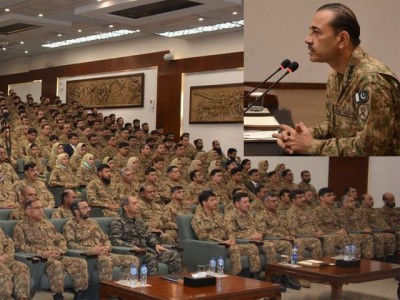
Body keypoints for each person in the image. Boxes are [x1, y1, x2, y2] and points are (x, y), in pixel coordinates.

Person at [273, 3, 400, 156]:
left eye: (316, 32)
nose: (307, 39)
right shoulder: (336, 73)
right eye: (310, 31)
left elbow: (370, 147)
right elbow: (337, 126)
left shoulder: (371, 81)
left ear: (342, 39)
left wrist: (312, 146)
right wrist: (302, 136)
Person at [13, 198, 88, 300]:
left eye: (41, 207)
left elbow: (61, 240)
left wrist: (59, 251)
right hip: (42, 259)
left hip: (56, 255)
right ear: (28, 211)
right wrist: (43, 253)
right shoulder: (20, 226)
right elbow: (20, 247)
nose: (41, 210)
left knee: (81, 262)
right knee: (56, 265)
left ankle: (80, 295)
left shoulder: (48, 224)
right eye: (37, 208)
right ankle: (58, 296)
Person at [63, 199, 139, 281]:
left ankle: (123, 289)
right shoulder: (70, 225)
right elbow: (70, 244)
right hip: (90, 257)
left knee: (133, 259)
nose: (89, 209)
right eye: (85, 208)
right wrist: (91, 250)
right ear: (76, 211)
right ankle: (107, 292)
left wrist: (107, 247)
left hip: (104, 254)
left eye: (88, 207)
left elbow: (106, 239)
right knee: (106, 261)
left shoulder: (93, 222)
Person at [191, 191, 261, 276]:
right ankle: (234, 278)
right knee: (234, 249)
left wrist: (231, 239)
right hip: (215, 245)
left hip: (227, 244)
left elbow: (228, 229)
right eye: (212, 200)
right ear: (204, 203)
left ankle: (254, 276)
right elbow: (203, 236)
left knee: (252, 248)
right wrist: (222, 242)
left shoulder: (217, 215)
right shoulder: (198, 218)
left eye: (215, 200)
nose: (216, 202)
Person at [110, 195, 181, 275]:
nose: (138, 205)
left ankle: (173, 282)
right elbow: (115, 240)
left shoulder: (139, 220)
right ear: (126, 207)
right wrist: (131, 246)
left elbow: (148, 235)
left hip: (147, 249)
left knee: (173, 255)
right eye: (134, 203)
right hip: (133, 252)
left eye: (137, 202)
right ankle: (153, 285)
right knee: (150, 257)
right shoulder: (118, 222)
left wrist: (156, 244)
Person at [0, 227, 30, 300]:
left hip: (5, 259)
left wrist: (6, 256)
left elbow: (9, 243)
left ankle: (22, 297)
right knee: (4, 271)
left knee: (22, 267)